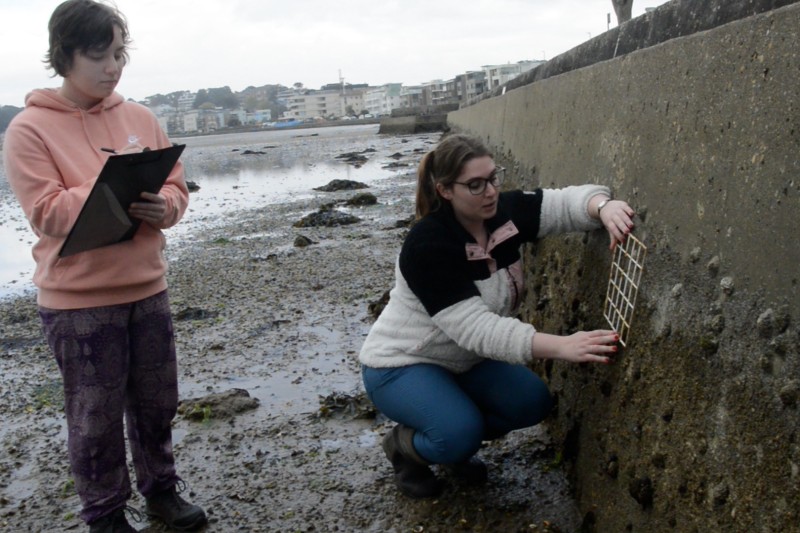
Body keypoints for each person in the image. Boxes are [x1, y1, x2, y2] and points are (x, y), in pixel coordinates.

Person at [2, 1, 206, 531]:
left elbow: (175, 187)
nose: (112, 67)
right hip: (78, 302)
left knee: (159, 402)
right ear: (65, 55)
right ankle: (105, 514)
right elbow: (45, 212)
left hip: (147, 287)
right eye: (99, 56)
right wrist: (107, 189)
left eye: (119, 54)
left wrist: (165, 206)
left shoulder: (140, 117)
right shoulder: (28, 128)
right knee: (93, 418)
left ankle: (162, 490)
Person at [359, 134, 636, 498]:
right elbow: (477, 330)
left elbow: (560, 203)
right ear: (445, 190)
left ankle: (451, 431)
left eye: (493, 178)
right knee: (459, 434)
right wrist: (563, 346)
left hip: (464, 362)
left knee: (532, 403)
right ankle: (408, 447)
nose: (489, 191)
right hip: (402, 365)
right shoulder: (427, 246)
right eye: (475, 185)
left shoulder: (501, 214)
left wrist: (603, 207)